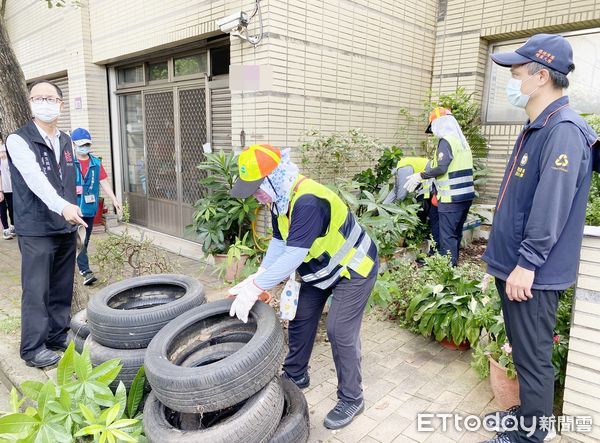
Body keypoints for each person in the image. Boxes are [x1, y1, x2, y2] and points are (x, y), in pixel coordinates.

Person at [480, 34, 598, 443]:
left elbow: (551, 206)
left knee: (533, 358)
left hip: (532, 274)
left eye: (515, 72)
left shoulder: (563, 129)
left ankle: (532, 434)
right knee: (522, 348)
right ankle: (525, 415)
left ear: (541, 75)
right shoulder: (539, 124)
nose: (510, 81)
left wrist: (527, 263)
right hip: (514, 266)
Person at [228, 144, 378, 430]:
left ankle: (352, 398)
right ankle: (296, 375)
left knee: (340, 331)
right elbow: (279, 242)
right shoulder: (280, 201)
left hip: (354, 268)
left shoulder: (307, 200)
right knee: (299, 318)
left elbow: (294, 255)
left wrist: (256, 286)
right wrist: (258, 276)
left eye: (258, 187)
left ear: (274, 177)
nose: (256, 195)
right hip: (321, 270)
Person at [6, 80, 87, 368]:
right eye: (37, 98)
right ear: (30, 103)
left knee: (62, 287)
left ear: (60, 104)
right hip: (36, 228)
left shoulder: (66, 140)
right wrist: (63, 206)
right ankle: (32, 348)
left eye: (50, 98)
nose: (44, 102)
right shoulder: (18, 140)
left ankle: (57, 335)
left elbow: (67, 180)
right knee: (37, 290)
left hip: (65, 226)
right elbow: (35, 180)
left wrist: (72, 210)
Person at [404, 107, 475, 265]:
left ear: (439, 124)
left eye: (433, 127)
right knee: (455, 234)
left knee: (447, 236)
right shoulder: (462, 143)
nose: (434, 132)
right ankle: (453, 268)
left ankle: (447, 272)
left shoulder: (446, 141)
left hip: (451, 198)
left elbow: (442, 167)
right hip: (465, 197)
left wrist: (420, 176)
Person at [71, 127, 122, 285]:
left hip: (88, 208)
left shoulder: (95, 162)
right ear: (73, 144)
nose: (84, 147)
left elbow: (103, 182)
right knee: (75, 240)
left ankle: (82, 268)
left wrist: (114, 199)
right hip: (71, 209)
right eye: (81, 144)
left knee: (83, 240)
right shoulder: (68, 162)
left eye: (87, 144)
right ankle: (84, 271)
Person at [0, 139, 15, 239]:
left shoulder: (9, 150)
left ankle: (13, 226)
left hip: (11, 187)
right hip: (1, 188)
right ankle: (5, 229)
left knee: (12, 208)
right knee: (2, 209)